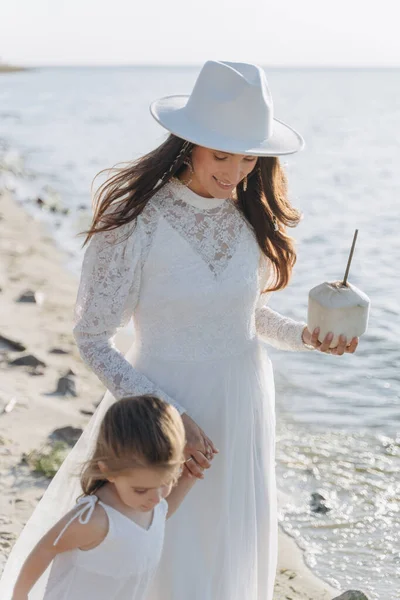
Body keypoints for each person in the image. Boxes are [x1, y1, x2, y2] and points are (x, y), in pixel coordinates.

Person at [0, 60, 358, 600]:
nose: (235, 171)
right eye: (221, 154)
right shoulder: (134, 221)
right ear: (187, 143)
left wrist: (307, 336)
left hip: (243, 398)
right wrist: (170, 415)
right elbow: (93, 338)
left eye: (247, 155)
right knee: (160, 545)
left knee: (225, 540)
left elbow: (246, 315)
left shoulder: (250, 217)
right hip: (161, 405)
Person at [11, 395, 195, 600]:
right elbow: (46, 548)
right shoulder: (94, 519)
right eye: (141, 490)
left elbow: (160, 517)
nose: (156, 498)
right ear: (109, 472)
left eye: (165, 484)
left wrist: (187, 479)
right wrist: (20, 594)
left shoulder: (151, 502)